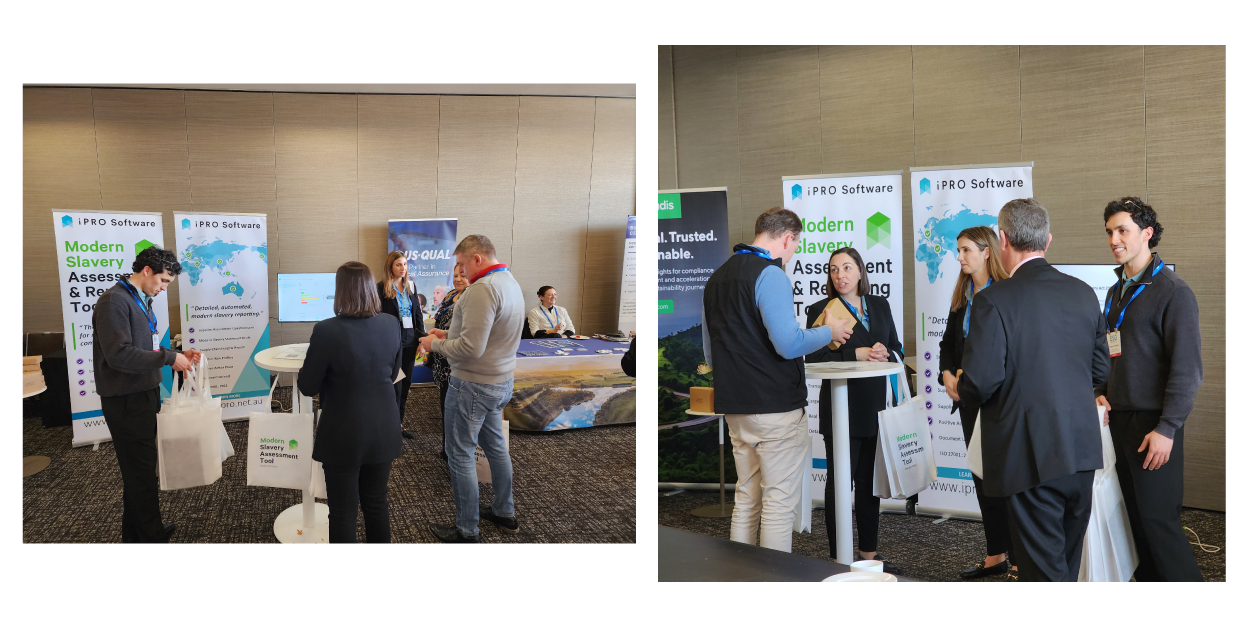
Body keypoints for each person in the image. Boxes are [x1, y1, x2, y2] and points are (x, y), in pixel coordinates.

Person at [958, 198, 1111, 582]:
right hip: (1081, 453)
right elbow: (1100, 369)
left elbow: (980, 382)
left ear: (1003, 240)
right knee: (1065, 566)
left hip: (1028, 457)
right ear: (1048, 240)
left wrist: (962, 386)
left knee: (1042, 575)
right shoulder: (1084, 293)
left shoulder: (993, 300)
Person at [702, 207, 853, 553]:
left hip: (734, 406)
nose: (793, 253)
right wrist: (828, 332)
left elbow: (710, 355)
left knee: (747, 497)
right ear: (788, 238)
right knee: (778, 504)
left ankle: (739, 575)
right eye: (795, 246)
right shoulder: (771, 275)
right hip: (774, 407)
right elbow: (788, 344)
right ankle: (772, 580)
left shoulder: (717, 278)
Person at [1095, 197, 1203, 581]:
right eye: (1110, 231)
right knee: (1132, 521)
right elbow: (1110, 351)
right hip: (1118, 419)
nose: (1114, 239)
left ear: (1147, 233)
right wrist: (1100, 388)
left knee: (1159, 523)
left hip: (1153, 426)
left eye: (1123, 230)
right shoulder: (1115, 291)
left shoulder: (1173, 291)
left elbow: (1187, 370)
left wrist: (1167, 428)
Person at [804, 247, 906, 574]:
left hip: (875, 409)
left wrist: (884, 351)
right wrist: (856, 354)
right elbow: (813, 358)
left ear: (860, 271)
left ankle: (868, 555)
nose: (840, 275)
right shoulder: (821, 310)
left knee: (868, 485)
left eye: (847, 267)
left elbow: (898, 349)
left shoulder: (879, 305)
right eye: (834, 269)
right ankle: (840, 559)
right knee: (839, 484)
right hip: (841, 409)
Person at [93, 245, 201, 543]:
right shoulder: (114, 301)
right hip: (126, 399)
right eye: (163, 281)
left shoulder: (140, 299)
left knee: (139, 470)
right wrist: (168, 358)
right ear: (147, 270)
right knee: (140, 472)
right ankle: (150, 537)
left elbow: (145, 347)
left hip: (144, 392)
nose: (164, 288)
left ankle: (137, 534)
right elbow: (119, 355)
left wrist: (176, 355)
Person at [421, 235, 525, 543]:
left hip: (473, 385)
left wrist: (434, 344)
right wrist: (447, 333)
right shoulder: (509, 282)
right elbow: (487, 335)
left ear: (477, 258)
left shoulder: (482, 289)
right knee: (495, 447)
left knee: (459, 454)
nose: (461, 272)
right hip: (499, 382)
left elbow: (470, 348)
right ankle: (504, 512)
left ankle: (466, 530)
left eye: (462, 264)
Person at [298, 261, 403, 543]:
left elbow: (307, 387)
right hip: (383, 428)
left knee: (344, 512)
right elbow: (393, 373)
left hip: (343, 433)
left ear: (340, 291)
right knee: (376, 503)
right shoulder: (391, 324)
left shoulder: (326, 330)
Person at [936, 226, 1015, 579]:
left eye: (966, 250)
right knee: (982, 479)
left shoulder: (1006, 292)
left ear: (987, 251)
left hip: (1000, 402)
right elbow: (947, 345)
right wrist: (947, 375)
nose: (959, 257)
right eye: (958, 250)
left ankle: (1018, 557)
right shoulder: (963, 294)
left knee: (1005, 481)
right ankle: (996, 554)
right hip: (968, 401)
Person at [377, 251, 427, 440]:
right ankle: (388, 424)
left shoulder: (411, 286)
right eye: (398, 264)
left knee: (405, 383)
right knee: (394, 384)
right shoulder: (381, 287)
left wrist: (422, 340)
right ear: (390, 266)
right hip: (392, 342)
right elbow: (378, 317)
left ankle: (399, 423)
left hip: (410, 340)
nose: (403, 268)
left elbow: (418, 315)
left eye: (405, 264)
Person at [426, 262, 470, 464]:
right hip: (441, 359)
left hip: (456, 362)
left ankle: (455, 455)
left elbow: (464, 335)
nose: (458, 279)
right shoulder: (451, 294)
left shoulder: (472, 299)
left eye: (463, 275)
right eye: (455, 275)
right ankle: (446, 449)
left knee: (456, 411)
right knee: (446, 407)